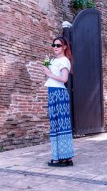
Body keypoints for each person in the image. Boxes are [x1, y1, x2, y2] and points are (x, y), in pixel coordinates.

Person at [42, 36, 74, 167]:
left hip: (59, 94)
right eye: (54, 45)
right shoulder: (54, 60)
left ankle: (61, 158)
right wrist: (47, 69)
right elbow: (52, 76)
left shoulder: (64, 60)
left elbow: (64, 79)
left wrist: (49, 74)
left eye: (58, 45)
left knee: (60, 125)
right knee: (57, 124)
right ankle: (63, 158)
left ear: (64, 47)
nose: (55, 47)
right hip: (53, 92)